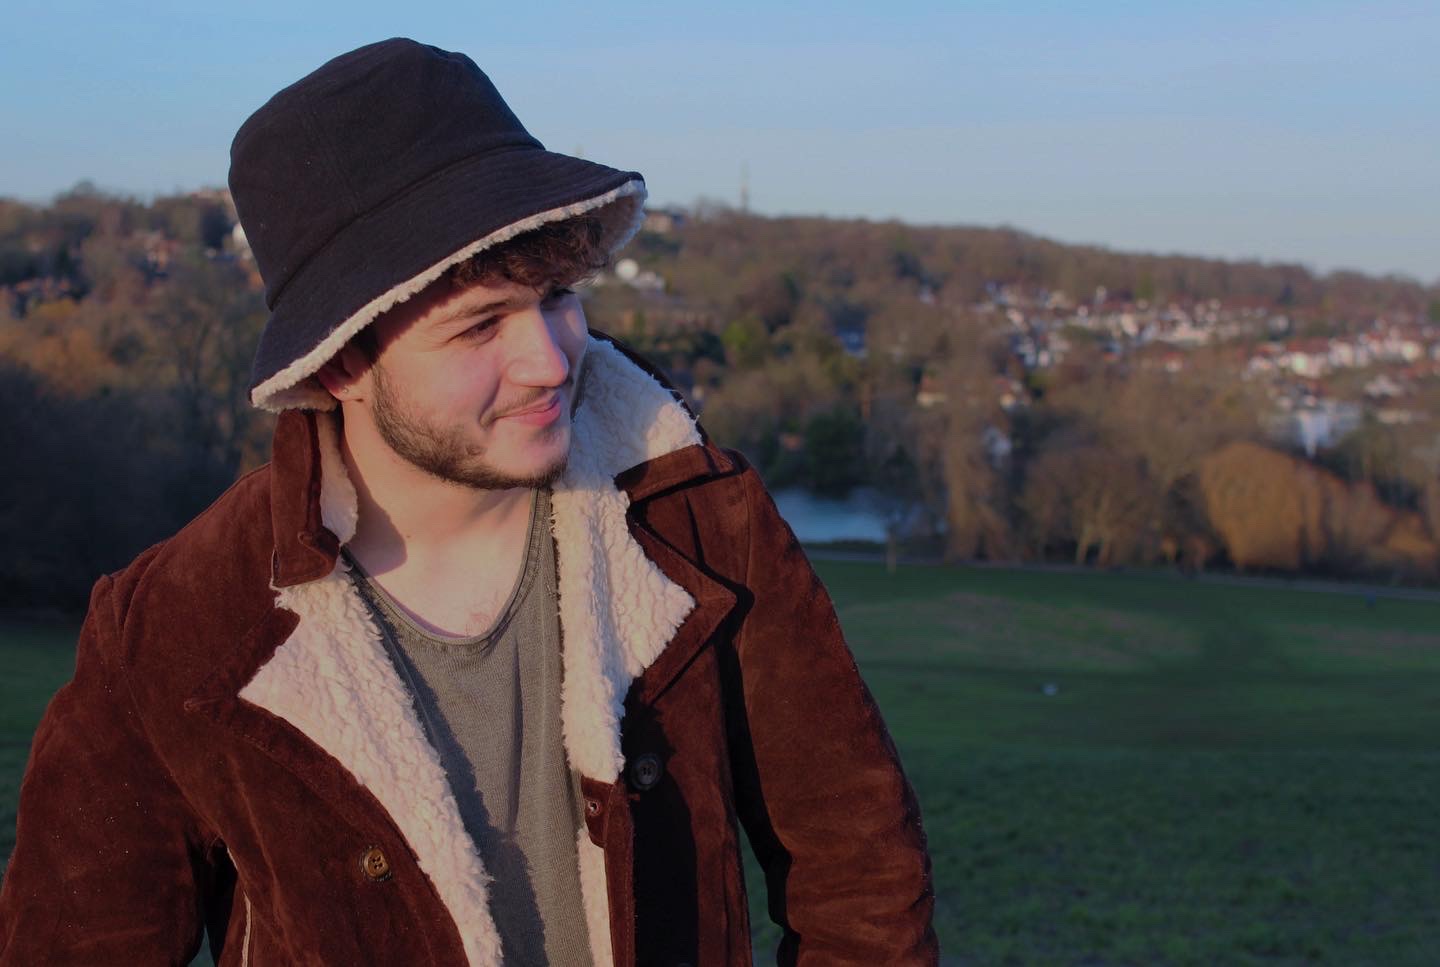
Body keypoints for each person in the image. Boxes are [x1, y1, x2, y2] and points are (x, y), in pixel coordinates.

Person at [0, 39, 936, 966]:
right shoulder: (174, 626)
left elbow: (861, 878)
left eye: (558, 294)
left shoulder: (699, 519)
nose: (552, 359)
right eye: (480, 324)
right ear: (339, 363)